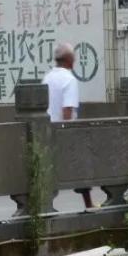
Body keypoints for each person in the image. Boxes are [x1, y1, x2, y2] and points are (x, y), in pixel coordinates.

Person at [43, 42, 95, 209]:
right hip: (63, 131)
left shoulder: (48, 77)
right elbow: (67, 110)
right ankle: (88, 204)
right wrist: (67, 134)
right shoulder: (69, 80)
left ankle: (45, 206)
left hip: (45, 130)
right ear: (69, 60)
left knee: (48, 170)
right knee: (81, 167)